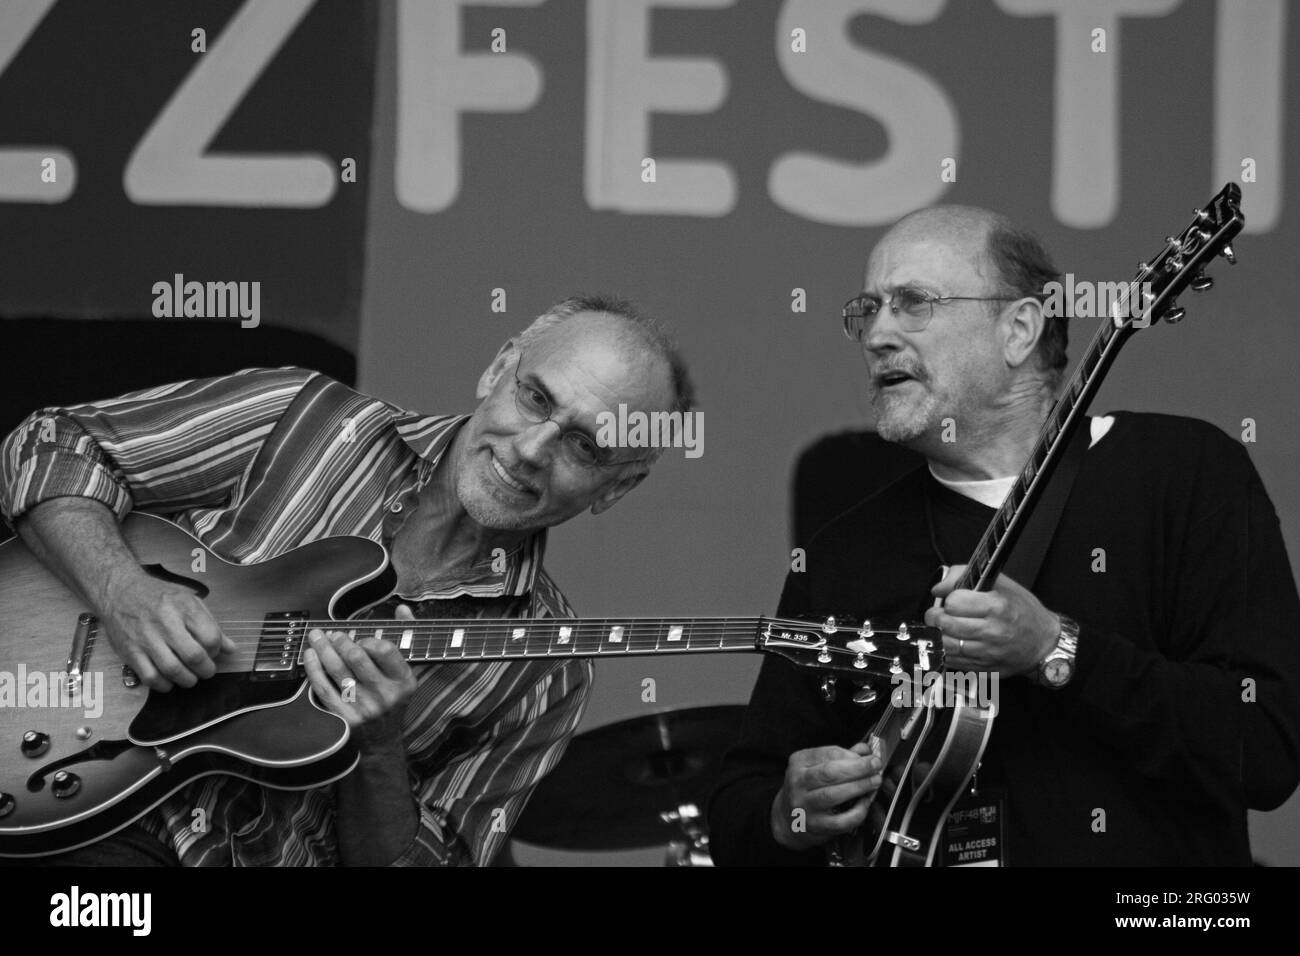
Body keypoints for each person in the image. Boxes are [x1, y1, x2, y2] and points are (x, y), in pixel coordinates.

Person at [1, 294, 693, 866]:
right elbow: (52, 443)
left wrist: (379, 748)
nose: (532, 451)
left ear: (617, 487)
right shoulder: (306, 419)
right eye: (536, 398)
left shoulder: (547, 670)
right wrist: (123, 590)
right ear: (498, 367)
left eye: (583, 446)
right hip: (53, 773)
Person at [708, 206, 1300, 866]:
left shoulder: (1183, 471)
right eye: (868, 309)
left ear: (1018, 329)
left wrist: (1057, 649)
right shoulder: (848, 550)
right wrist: (788, 813)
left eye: (913, 304)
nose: (876, 334)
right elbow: (739, 806)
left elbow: (1267, 747)